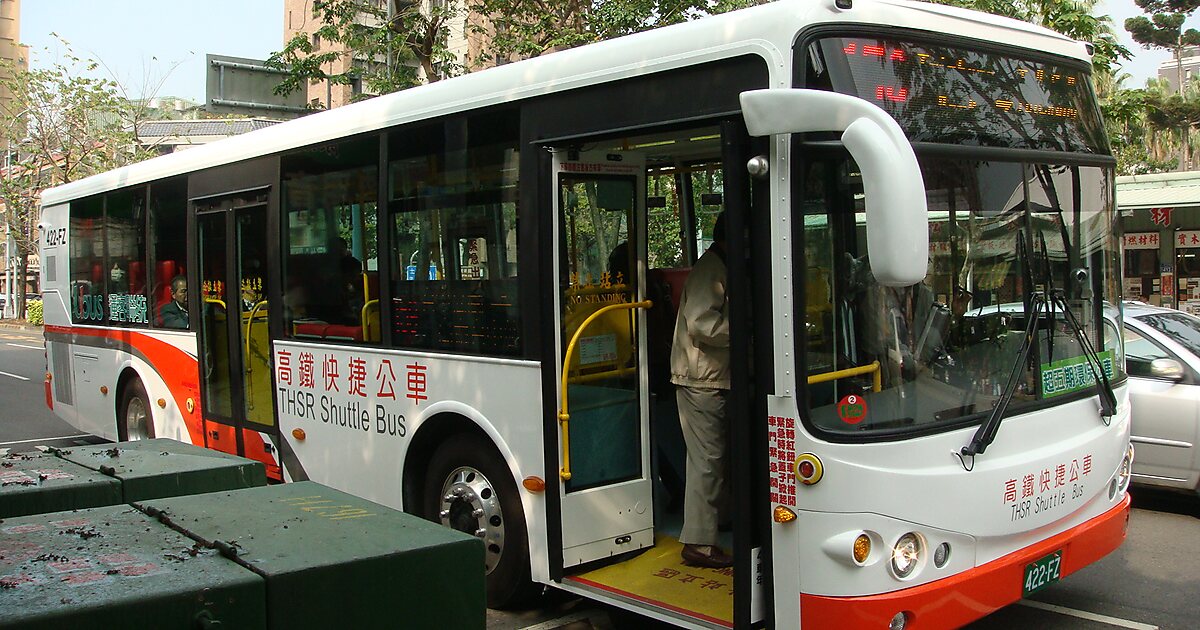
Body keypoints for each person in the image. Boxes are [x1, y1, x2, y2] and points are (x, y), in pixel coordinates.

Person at [670, 212, 732, 568]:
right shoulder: (711, 269)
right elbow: (702, 324)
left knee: (716, 458)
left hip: (712, 375)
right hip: (700, 378)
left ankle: (716, 523)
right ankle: (698, 543)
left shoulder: (720, 265)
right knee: (706, 462)